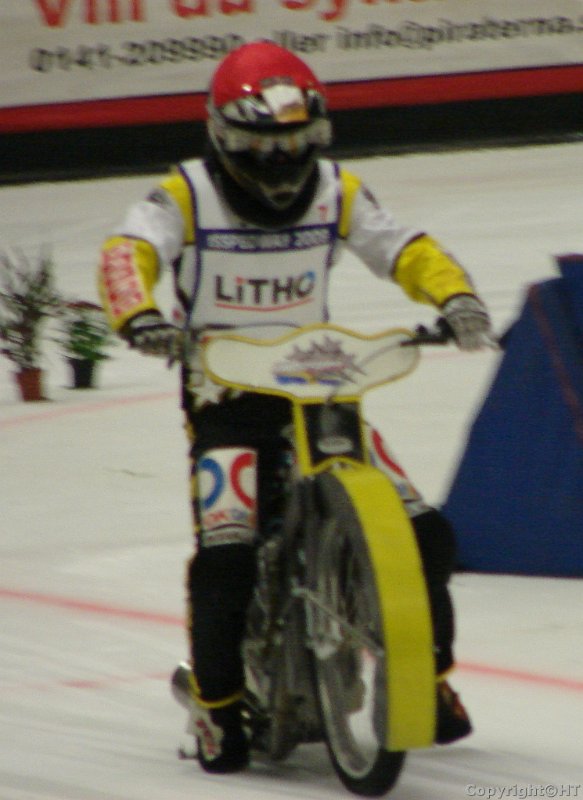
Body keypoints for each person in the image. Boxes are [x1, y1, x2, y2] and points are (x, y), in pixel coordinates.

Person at [97, 40, 493, 774]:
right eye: (260, 146)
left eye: (295, 143)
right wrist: (138, 314)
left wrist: (456, 295)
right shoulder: (183, 195)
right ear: (222, 136)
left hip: (320, 390)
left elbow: (403, 246)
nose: (280, 162)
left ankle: (429, 677)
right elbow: (128, 251)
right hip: (226, 395)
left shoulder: (339, 190)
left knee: (427, 535)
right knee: (227, 556)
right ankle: (217, 708)